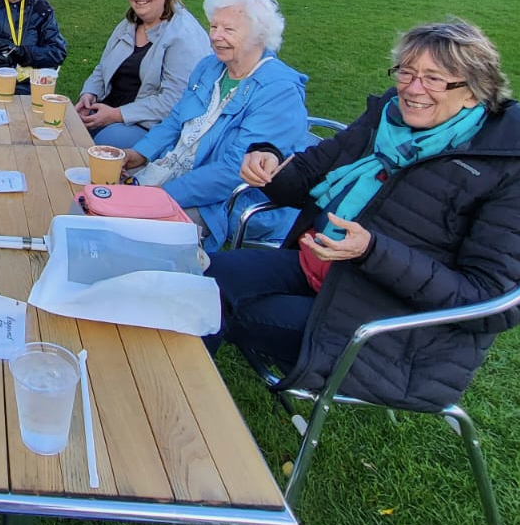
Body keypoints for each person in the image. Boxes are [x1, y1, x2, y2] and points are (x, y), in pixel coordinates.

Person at [206, 21, 520, 412]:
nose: (412, 88)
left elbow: (493, 305)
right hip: (320, 270)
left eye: (434, 79)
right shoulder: (388, 118)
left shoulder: (504, 166)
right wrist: (268, 160)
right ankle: (168, 400)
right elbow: (307, 174)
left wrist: (371, 251)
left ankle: (179, 421)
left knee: (212, 308)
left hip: (392, 332)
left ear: (474, 90)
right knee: (199, 282)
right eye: (406, 72)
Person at [119, 0, 310, 251]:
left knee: (133, 233)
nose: (215, 36)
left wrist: (162, 196)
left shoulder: (279, 92)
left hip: (228, 202)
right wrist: (138, 153)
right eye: (213, 26)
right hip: (178, 172)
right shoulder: (210, 67)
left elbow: (235, 171)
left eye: (228, 29)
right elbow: (176, 120)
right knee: (99, 191)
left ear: (259, 35)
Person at [75, 0, 211, 149]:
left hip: (150, 125)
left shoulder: (183, 35)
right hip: (108, 109)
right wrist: (88, 94)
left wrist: (116, 115)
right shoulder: (128, 25)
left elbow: (174, 101)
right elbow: (102, 68)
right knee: (65, 128)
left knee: (102, 146)